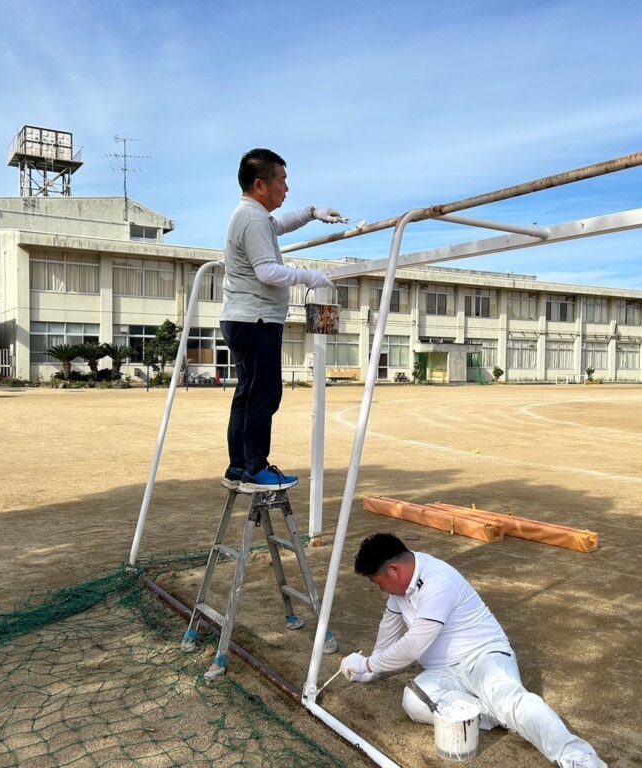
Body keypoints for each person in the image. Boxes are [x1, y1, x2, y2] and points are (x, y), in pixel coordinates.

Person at [340, 533, 607, 768]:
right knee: (414, 700)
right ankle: (496, 714)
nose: (380, 588)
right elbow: (389, 628)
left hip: (484, 656)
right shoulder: (399, 591)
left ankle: (578, 758)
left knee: (511, 700)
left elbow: (413, 645)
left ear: (395, 570)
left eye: (378, 582)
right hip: (444, 671)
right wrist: (371, 668)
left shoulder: (438, 581)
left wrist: (367, 664)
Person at [221, 148, 346, 494]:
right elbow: (267, 271)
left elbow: (279, 225)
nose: (287, 187)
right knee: (265, 395)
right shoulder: (253, 219)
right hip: (257, 319)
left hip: (242, 318)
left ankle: (238, 466)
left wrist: (311, 214)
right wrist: (310, 276)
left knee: (247, 395)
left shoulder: (251, 216)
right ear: (261, 185)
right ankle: (256, 468)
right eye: (283, 180)